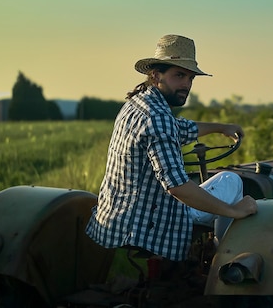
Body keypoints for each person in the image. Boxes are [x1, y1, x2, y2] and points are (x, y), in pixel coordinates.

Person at [85, 34, 257, 262]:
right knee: (231, 181)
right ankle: (220, 262)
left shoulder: (137, 104)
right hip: (149, 224)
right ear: (156, 75)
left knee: (223, 182)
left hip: (118, 217)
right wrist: (236, 211)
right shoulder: (158, 117)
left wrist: (220, 127)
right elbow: (177, 187)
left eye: (190, 78)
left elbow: (179, 128)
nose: (186, 84)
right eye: (179, 75)